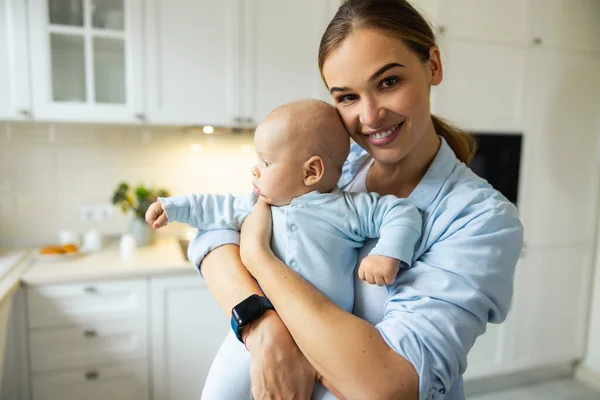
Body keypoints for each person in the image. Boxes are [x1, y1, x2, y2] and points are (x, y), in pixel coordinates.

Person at [189, 0, 524, 399]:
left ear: (433, 65)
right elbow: (211, 237)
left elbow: (388, 385)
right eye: (346, 97)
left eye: (388, 82)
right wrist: (262, 328)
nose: (369, 116)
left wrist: (258, 256)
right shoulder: (334, 169)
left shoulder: (480, 219)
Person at [145, 99, 422, 399]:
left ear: (311, 171)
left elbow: (403, 213)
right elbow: (214, 209)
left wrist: (388, 254)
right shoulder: (256, 202)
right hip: (261, 329)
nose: (255, 169)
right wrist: (172, 208)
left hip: (324, 345)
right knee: (217, 394)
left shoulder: (348, 209)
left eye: (265, 163)